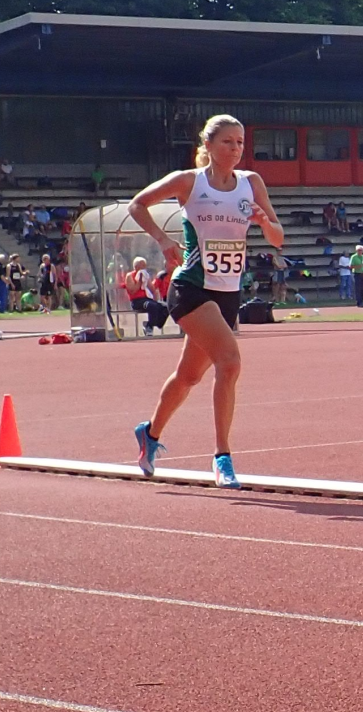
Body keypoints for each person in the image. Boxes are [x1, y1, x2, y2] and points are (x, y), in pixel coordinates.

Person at [127, 114, 283, 488]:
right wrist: (163, 242)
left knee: (189, 376)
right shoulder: (189, 182)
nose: (235, 148)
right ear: (209, 146)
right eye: (228, 141)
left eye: (241, 142)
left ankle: (149, 433)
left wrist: (264, 222)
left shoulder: (252, 183)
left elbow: (278, 239)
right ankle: (222, 457)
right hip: (190, 288)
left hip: (227, 293)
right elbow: (137, 204)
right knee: (229, 363)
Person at [125, 256, 169, 336]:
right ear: (136, 266)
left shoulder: (145, 275)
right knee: (151, 306)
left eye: (145, 266)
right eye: (142, 266)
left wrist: (156, 299)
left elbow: (153, 289)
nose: (144, 268)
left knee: (165, 306)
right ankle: (149, 327)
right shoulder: (130, 276)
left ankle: (154, 324)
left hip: (147, 299)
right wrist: (139, 281)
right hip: (137, 301)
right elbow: (133, 291)